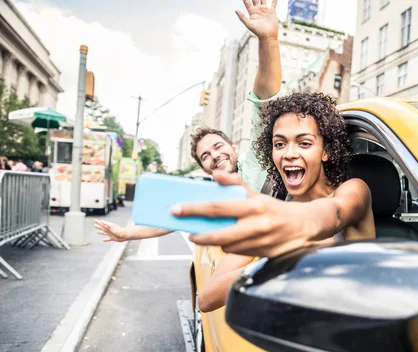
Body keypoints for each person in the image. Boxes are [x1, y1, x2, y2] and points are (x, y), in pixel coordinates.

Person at [95, 0, 282, 242]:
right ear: (204, 168)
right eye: (205, 156)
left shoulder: (256, 159)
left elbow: (265, 98)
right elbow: (178, 218)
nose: (214, 156)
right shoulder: (212, 193)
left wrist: (268, 40)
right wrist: (126, 233)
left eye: (217, 147)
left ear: (234, 146)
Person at [177, 92, 376, 312]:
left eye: (304, 143)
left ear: (326, 151)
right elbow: (206, 299)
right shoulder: (273, 215)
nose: (289, 153)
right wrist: (274, 262)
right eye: (279, 144)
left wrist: (295, 241)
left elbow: (335, 213)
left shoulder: (353, 189)